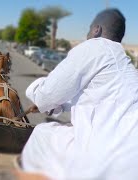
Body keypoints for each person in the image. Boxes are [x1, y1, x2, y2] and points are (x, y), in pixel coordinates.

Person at [20, 8, 138, 179]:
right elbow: (96, 101)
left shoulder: (94, 47)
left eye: (89, 29)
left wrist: (38, 95)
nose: (87, 34)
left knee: (41, 133)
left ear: (96, 29)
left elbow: (46, 94)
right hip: (131, 155)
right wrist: (58, 106)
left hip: (106, 154)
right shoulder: (124, 61)